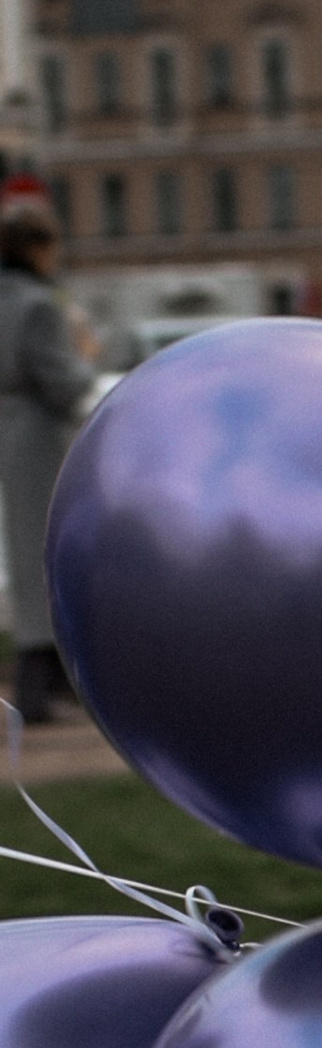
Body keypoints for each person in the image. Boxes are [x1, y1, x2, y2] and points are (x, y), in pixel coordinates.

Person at [0, 203, 94, 725]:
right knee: (50, 554)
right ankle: (40, 688)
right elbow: (65, 386)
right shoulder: (39, 306)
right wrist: (84, 358)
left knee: (25, 551)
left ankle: (40, 682)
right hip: (40, 437)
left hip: (9, 432)